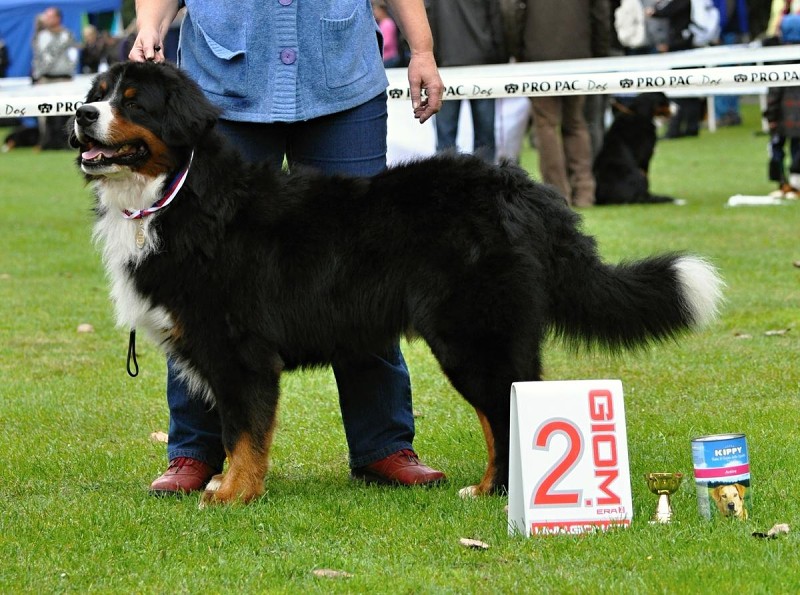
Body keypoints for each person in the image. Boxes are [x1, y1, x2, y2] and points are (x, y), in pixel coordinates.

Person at [128, 0, 446, 495]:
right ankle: (194, 451)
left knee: (366, 271)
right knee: (195, 283)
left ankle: (383, 445)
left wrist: (421, 48)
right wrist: (150, 24)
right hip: (221, 88)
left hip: (339, 78)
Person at [521, 0, 611, 207]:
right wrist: (599, 53)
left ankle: (557, 195)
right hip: (579, 54)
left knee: (546, 125)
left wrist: (519, 49)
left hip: (538, 55)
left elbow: (512, 13)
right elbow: (600, 14)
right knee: (576, 123)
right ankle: (585, 192)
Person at [427, 0, 506, 162]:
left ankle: (446, 184)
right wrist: (501, 57)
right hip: (481, 64)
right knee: (485, 140)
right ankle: (485, 184)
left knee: (445, 142)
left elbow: (426, 16)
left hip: (445, 65)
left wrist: (432, 56)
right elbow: (497, 19)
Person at [647, 0, 705, 139]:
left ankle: (676, 129)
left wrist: (655, 11)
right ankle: (689, 127)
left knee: (680, 89)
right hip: (683, 45)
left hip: (681, 47)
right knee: (688, 89)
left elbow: (667, 10)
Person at [31, 7, 78, 150]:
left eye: (49, 16)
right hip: (45, 79)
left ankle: (68, 142)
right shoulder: (40, 36)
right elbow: (37, 58)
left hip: (63, 79)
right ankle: (44, 141)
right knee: (43, 112)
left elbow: (73, 55)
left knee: (66, 111)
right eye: (46, 16)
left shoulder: (67, 35)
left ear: (58, 18)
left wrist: (69, 71)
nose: (46, 19)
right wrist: (38, 77)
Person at [764, 12, 800, 198]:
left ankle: (783, 184)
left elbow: (774, 93)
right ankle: (794, 185)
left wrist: (770, 116)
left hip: (783, 118)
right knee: (797, 151)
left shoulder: (780, 59)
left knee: (777, 151)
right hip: (793, 120)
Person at [372, 1, 402, 68]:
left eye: (376, 10)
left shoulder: (387, 23)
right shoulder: (382, 23)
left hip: (389, 57)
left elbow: (387, 42)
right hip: (385, 57)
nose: (375, 13)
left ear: (382, 10)